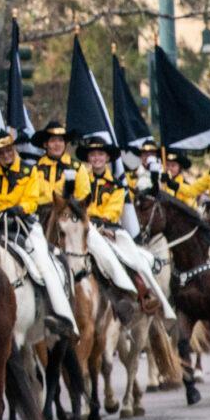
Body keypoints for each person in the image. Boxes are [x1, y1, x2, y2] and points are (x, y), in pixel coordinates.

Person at [0, 130, 78, 334]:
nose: (6, 155)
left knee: (43, 263)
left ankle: (59, 313)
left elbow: (32, 200)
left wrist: (20, 208)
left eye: (8, 150)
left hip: (25, 225)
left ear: (13, 148)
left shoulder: (28, 170)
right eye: (0, 152)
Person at [78, 136, 176, 321]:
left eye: (100, 154)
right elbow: (78, 204)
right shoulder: (80, 181)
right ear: (88, 158)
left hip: (109, 229)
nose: (97, 158)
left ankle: (141, 294)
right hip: (86, 228)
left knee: (131, 259)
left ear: (107, 158)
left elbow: (114, 210)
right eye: (93, 154)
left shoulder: (116, 184)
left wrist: (98, 222)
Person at [31, 120, 90, 217]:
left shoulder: (77, 168)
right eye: (53, 140)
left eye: (60, 140)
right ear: (45, 144)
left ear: (65, 143)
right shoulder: (35, 169)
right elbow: (30, 198)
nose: (57, 144)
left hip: (68, 215)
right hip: (39, 216)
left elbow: (83, 198)